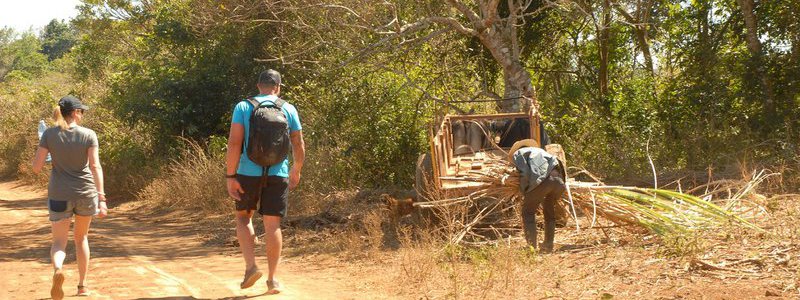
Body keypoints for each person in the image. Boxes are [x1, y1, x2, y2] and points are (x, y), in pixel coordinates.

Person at [225, 69, 305, 294]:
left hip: (247, 173)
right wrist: (296, 169)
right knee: (273, 226)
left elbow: (234, 144)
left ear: (258, 85)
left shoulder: (243, 107)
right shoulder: (288, 108)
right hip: (278, 173)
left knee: (243, 217)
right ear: (278, 87)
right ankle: (273, 279)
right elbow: (298, 144)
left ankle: (251, 267)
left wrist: (231, 176)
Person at [32, 95, 108, 299]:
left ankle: (58, 268)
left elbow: (37, 168)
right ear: (75, 113)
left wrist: (50, 157)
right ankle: (82, 286)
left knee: (58, 242)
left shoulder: (48, 134)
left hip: (59, 193)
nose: (82, 114)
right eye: (81, 111)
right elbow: (95, 166)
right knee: (81, 238)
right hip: (85, 192)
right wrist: (102, 198)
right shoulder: (89, 134)